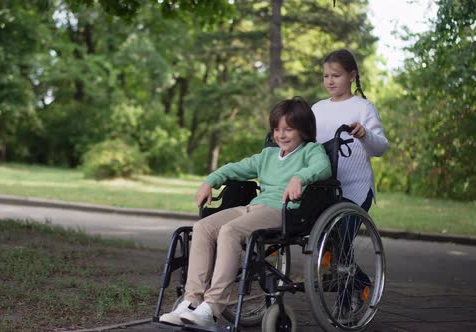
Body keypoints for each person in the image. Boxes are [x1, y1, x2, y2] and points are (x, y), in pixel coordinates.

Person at [159, 97, 332, 327]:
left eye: (288, 129)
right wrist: (209, 181)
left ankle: (211, 308)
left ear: (303, 130)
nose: (281, 135)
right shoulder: (268, 156)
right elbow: (235, 168)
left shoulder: (311, 151)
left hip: (282, 210)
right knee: (202, 227)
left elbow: (323, 167)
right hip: (253, 207)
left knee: (230, 231)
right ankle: (191, 302)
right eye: (277, 129)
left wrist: (300, 177)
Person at [312, 49, 388, 316]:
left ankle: (345, 299)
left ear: (352, 75)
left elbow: (381, 147)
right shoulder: (317, 109)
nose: (330, 81)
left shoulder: (363, 108)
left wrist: (366, 134)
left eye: (336, 75)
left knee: (343, 238)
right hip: (324, 188)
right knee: (326, 242)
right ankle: (361, 283)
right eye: (325, 76)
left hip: (356, 187)